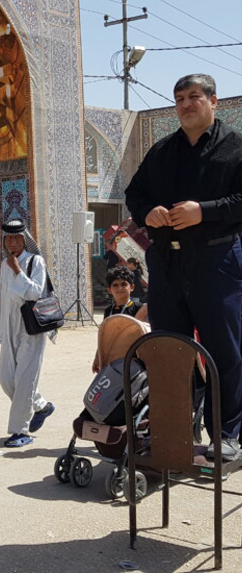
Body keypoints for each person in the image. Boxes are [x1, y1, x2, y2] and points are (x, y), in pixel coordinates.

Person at [125, 73, 242, 461]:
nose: (186, 104)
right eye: (179, 98)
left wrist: (203, 212)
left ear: (214, 101)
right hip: (167, 263)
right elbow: (134, 194)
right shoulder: (162, 151)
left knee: (223, 351)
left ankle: (226, 435)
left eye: (194, 96)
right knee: (168, 350)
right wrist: (148, 213)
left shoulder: (234, 147)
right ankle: (171, 436)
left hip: (216, 260)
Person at [0, 219, 56, 448]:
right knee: (7, 379)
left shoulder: (35, 261)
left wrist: (17, 270)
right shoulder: (3, 263)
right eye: (8, 238)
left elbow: (34, 293)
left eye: (17, 238)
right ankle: (41, 406)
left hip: (31, 329)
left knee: (24, 381)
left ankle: (20, 432)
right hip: (9, 329)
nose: (13, 243)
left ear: (25, 239)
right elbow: (1, 299)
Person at [91, 266, 150, 374]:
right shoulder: (109, 311)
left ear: (132, 287)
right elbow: (105, 337)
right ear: (109, 290)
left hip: (134, 362)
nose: (120, 288)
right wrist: (97, 357)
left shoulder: (139, 308)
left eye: (124, 284)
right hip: (113, 362)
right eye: (115, 285)